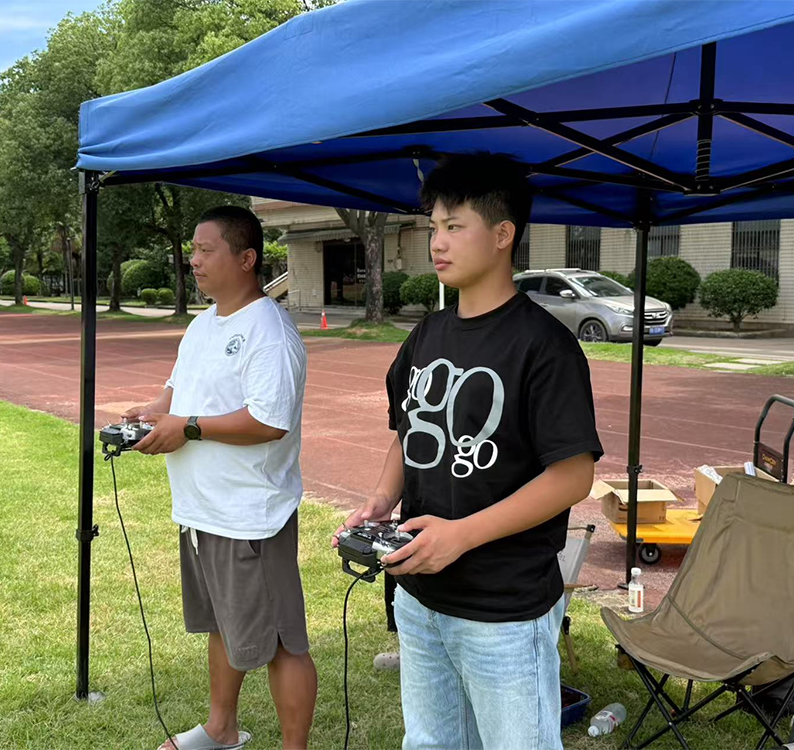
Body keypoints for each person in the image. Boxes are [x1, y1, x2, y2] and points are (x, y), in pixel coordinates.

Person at [334, 153, 603, 749]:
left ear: (503, 235)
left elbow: (572, 476)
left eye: (455, 226)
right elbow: (408, 430)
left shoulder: (545, 346)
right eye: (434, 226)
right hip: (419, 596)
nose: (438, 242)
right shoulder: (428, 333)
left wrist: (461, 535)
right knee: (430, 743)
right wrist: (382, 499)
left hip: (504, 609)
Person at [123, 206, 316, 750]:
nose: (195, 260)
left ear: (247, 258)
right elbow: (179, 388)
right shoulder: (203, 323)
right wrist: (156, 409)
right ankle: (221, 728)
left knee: (283, 641)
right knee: (221, 624)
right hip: (202, 510)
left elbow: (269, 421)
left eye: (207, 250)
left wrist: (188, 426)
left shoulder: (268, 332)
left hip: (251, 515)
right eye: (193, 250)